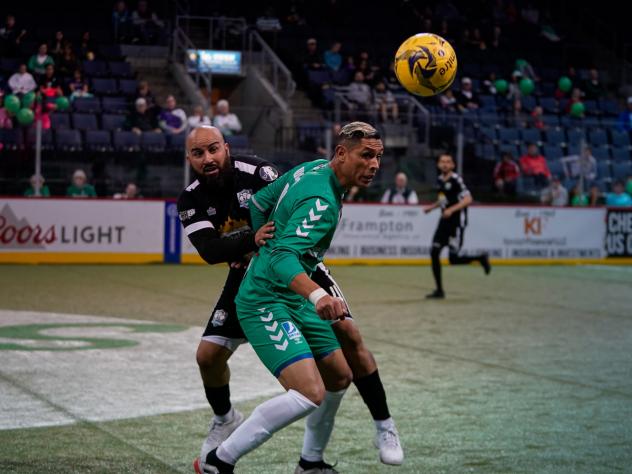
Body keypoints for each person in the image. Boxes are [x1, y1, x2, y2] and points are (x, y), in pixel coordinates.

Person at [184, 125, 403, 474]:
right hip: (269, 292)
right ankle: (217, 460)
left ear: (225, 148)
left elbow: (260, 201)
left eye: (378, 156)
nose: (375, 164)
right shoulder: (321, 202)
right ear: (342, 154)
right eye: (367, 155)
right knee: (306, 391)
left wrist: (265, 243)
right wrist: (314, 292)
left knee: (341, 374)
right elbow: (283, 255)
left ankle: (311, 462)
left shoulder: (312, 167)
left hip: (292, 282)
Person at [424, 154, 491, 299]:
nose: (445, 164)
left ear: (453, 165)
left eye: (448, 162)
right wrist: (432, 207)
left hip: (456, 223)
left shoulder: (456, 180)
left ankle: (480, 258)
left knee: (453, 259)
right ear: (438, 165)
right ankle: (439, 290)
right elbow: (443, 200)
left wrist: (451, 210)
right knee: (434, 252)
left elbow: (468, 199)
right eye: (442, 162)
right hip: (444, 222)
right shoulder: (440, 180)